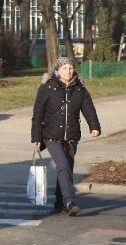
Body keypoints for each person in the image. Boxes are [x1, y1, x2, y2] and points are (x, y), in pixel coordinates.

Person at [31, 56, 101, 216]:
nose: (68, 71)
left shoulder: (80, 89)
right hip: (51, 136)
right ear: (57, 71)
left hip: (71, 136)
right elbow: (38, 113)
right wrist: (36, 136)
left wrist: (94, 126)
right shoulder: (47, 88)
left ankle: (58, 202)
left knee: (66, 169)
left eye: (70, 68)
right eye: (64, 68)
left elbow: (89, 109)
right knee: (63, 166)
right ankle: (69, 201)